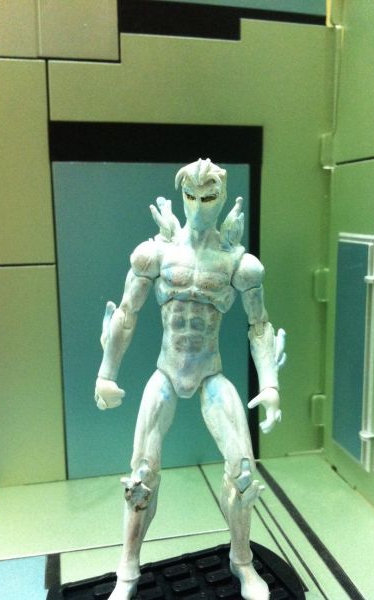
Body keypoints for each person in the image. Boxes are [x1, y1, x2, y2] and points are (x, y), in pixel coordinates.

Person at [95, 158, 286, 600]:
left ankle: (242, 561)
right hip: (166, 372)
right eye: (191, 196)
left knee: (242, 469)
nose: (199, 206)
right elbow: (126, 313)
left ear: (222, 198)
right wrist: (107, 372)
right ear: (182, 196)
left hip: (210, 373)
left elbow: (259, 325)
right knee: (141, 475)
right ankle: (127, 570)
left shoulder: (239, 264)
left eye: (209, 197)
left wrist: (270, 384)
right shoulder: (155, 254)